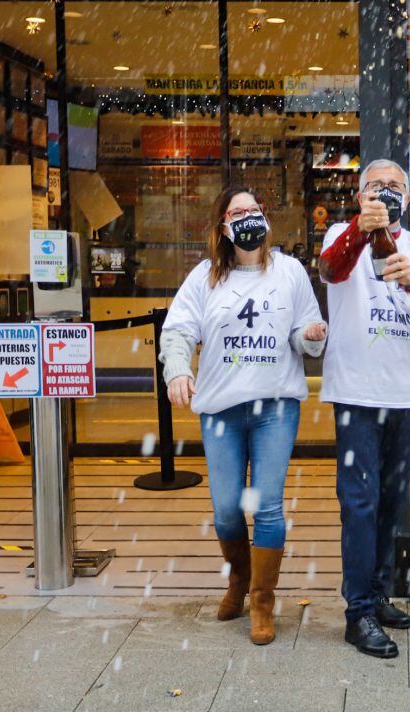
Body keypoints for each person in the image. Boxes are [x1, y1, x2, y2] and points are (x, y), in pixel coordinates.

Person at [160, 187, 327, 645]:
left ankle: (262, 601)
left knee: (268, 506)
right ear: (224, 226)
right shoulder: (205, 278)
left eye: (254, 210)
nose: (248, 217)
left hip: (275, 406)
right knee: (228, 509)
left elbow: (305, 337)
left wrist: (311, 337)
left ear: (265, 219)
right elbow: (177, 330)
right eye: (238, 212)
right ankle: (239, 578)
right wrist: (176, 367)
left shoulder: (290, 272)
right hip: (221, 411)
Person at [317, 159, 410, 658]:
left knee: (392, 501)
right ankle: (359, 614)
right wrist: (361, 231)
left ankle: (378, 594)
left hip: (409, 394)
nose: (387, 192)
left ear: (408, 200)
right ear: (360, 196)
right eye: (376, 185)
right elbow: (331, 269)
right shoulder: (340, 232)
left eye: (395, 185)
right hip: (356, 392)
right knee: (359, 502)